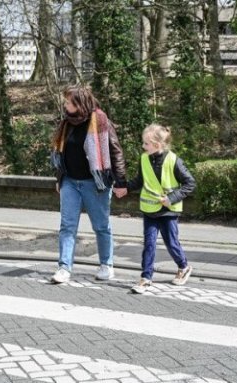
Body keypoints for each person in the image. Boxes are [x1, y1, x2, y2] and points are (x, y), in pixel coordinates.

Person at [50, 85, 127, 284]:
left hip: (96, 184)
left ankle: (106, 265)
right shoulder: (66, 123)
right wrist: (60, 178)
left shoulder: (101, 121)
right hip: (70, 182)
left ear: (79, 103)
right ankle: (64, 267)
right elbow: (61, 153)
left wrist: (120, 182)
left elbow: (116, 151)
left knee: (101, 226)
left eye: (68, 102)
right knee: (67, 226)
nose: (65, 105)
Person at [118, 123, 196, 294]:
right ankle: (146, 278)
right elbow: (140, 180)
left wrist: (171, 198)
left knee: (171, 243)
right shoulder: (144, 158)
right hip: (149, 210)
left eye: (146, 143)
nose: (143, 146)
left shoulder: (174, 160)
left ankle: (184, 266)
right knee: (149, 244)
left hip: (168, 211)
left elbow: (190, 183)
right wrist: (126, 188)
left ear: (157, 145)